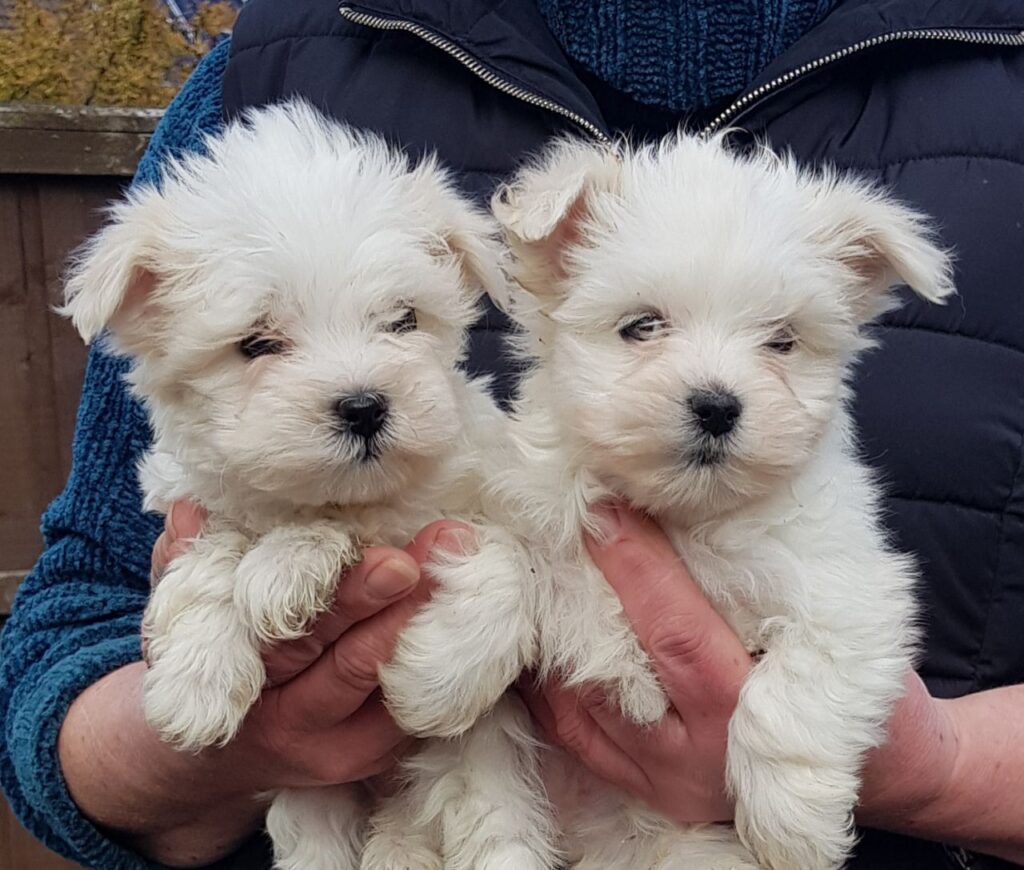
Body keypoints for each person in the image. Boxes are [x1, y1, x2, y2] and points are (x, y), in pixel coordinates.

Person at [2, 1, 1022, 868]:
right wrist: (213, 751)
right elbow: (75, 624)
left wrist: (935, 773)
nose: (714, 384)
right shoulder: (270, 69)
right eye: (642, 327)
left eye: (401, 322)